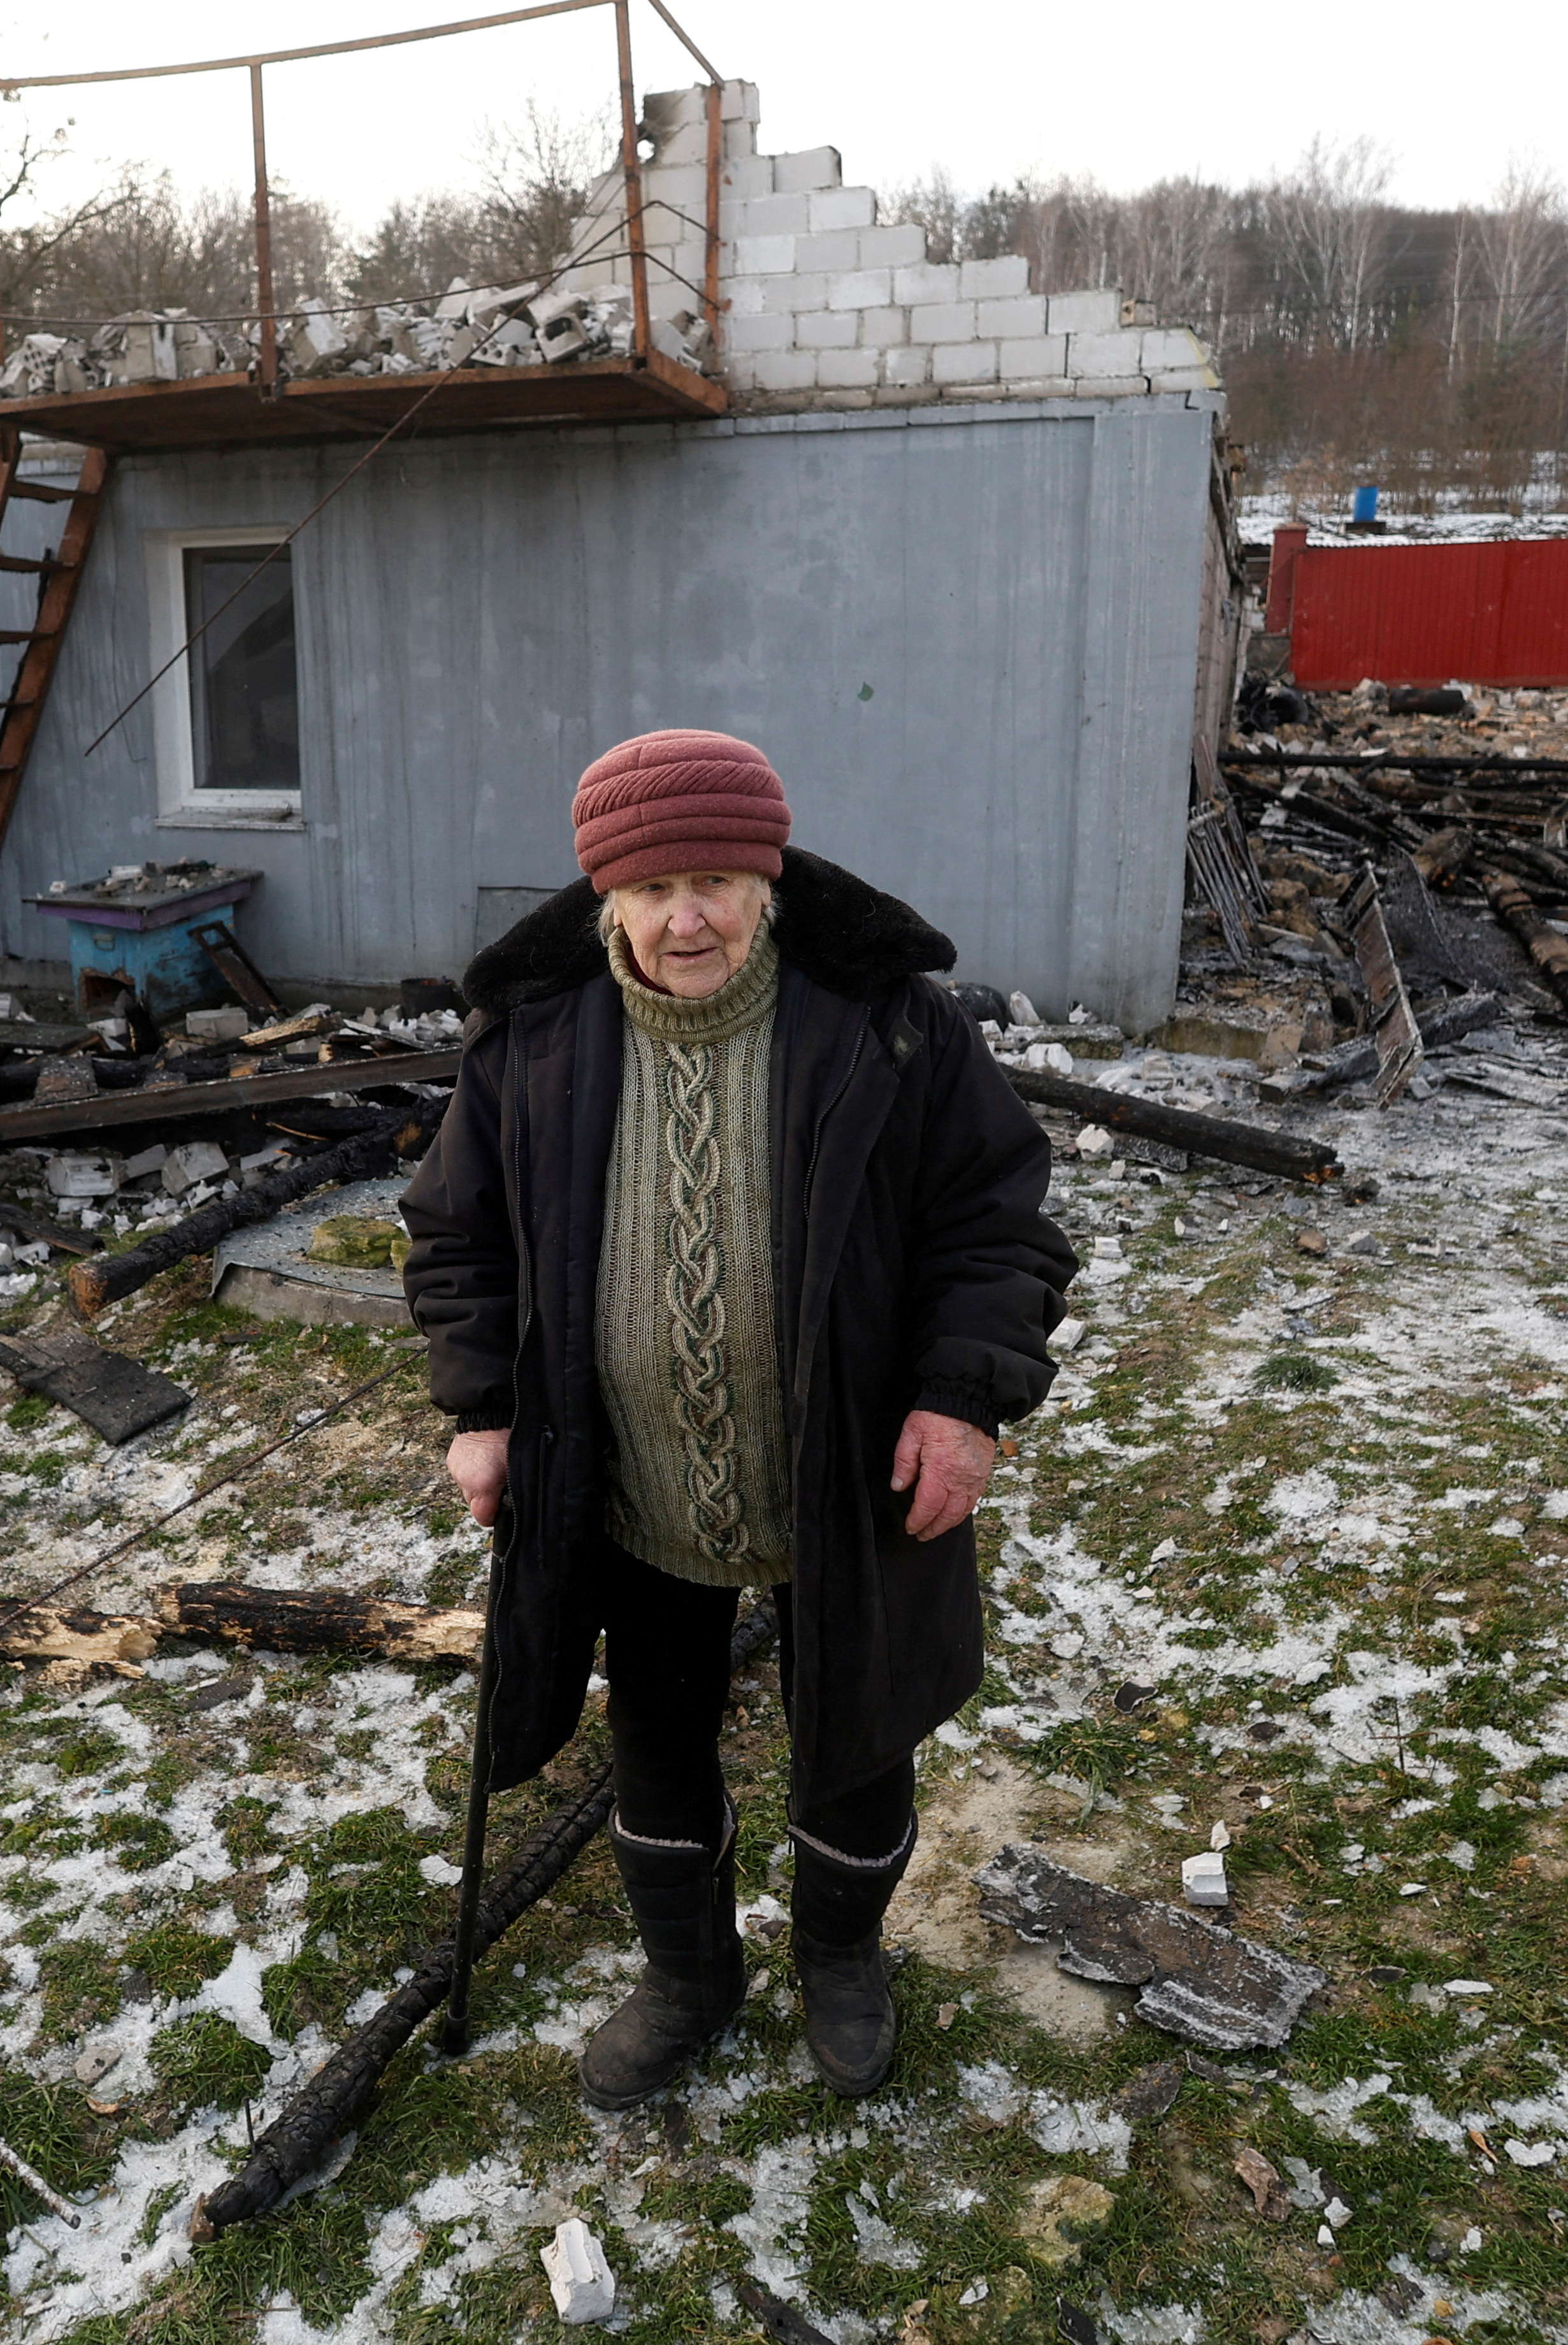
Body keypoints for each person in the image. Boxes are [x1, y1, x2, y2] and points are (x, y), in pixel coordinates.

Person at [401, 727, 1074, 2109]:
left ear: (769, 880)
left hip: (848, 1465)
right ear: (608, 900)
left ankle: (841, 1959)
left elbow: (995, 1220)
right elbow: (458, 1235)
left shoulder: (885, 1020)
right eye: (652, 890)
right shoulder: (534, 1034)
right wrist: (483, 1404)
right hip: (628, 1475)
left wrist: (962, 1397)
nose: (685, 919)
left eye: (714, 881)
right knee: (655, 1731)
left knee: (859, 1730)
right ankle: (689, 1976)